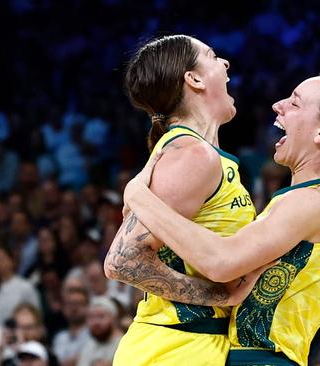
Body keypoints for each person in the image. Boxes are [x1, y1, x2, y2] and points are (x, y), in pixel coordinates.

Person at [122, 70, 320, 365]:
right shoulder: (319, 197)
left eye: (295, 103)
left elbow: (220, 261)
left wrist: (139, 195)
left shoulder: (315, 199)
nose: (279, 105)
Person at [103, 34, 258, 366]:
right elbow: (123, 260)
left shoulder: (196, 153)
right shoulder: (192, 155)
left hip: (189, 346)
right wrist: (216, 295)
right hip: (174, 348)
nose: (225, 64)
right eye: (214, 56)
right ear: (194, 79)